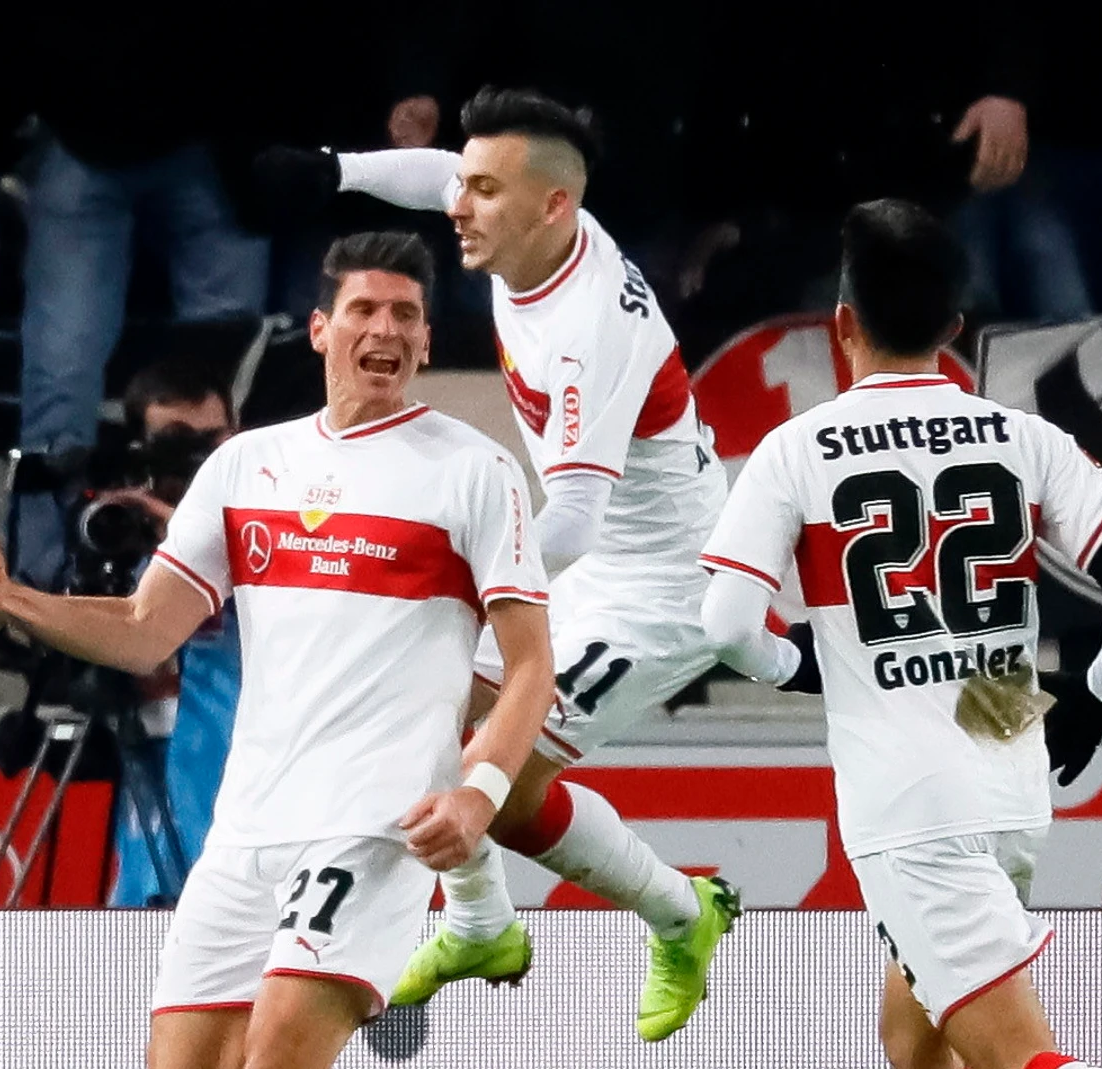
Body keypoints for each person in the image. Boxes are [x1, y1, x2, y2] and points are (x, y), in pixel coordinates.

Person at [0, 231, 556, 1069]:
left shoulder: (476, 470)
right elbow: (144, 626)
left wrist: (478, 796)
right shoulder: (246, 465)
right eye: (364, 309)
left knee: (277, 1050)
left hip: (373, 824)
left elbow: (530, 665)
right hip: (245, 833)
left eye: (406, 314)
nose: (385, 329)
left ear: (425, 340)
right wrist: (7, 595)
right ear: (319, 330)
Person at [696, 200, 1102, 1069]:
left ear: (842, 324)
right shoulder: (1028, 439)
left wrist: (797, 666)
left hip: (910, 803)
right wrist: (1100, 697)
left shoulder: (798, 450)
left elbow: (726, 624)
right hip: (1010, 776)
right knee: (910, 1039)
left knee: (1018, 1055)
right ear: (954, 327)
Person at [318, 88, 740, 1041]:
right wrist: (332, 172)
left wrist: (453, 581)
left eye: (484, 192)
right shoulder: (531, 231)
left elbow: (577, 521)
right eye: (466, 187)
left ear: (554, 205)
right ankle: (482, 925)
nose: (458, 206)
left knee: (494, 784)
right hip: (592, 563)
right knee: (429, 716)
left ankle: (686, 913)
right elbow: (443, 175)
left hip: (661, 587)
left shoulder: (590, 327)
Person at [102, 359, 241, 908]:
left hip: (246, 819)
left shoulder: (271, 530)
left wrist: (194, 539)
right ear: (141, 450)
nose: (197, 461)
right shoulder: (119, 537)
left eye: (211, 442)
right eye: (176, 444)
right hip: (155, 814)